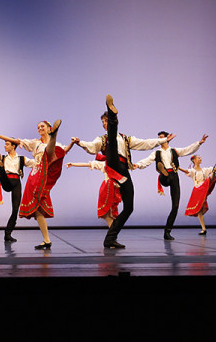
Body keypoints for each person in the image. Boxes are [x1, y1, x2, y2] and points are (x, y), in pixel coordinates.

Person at [72, 95, 173, 249]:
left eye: (106, 121)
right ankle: (112, 112)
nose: (104, 124)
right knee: (111, 139)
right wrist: (80, 143)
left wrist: (162, 141)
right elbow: (92, 146)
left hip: (124, 170)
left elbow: (145, 143)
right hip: (113, 163)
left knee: (129, 207)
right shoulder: (103, 139)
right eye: (104, 122)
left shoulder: (126, 139)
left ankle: (110, 238)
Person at [0, 118, 73, 250]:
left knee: (53, 150)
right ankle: (46, 240)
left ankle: (53, 137)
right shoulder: (34, 143)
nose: (40, 129)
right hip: (35, 174)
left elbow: (64, 151)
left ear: (49, 128)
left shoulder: (55, 145)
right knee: (37, 210)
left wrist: (72, 143)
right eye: (38, 127)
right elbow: (15, 141)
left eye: (42, 126)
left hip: (46, 170)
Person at [133, 133, 208, 240]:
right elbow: (147, 160)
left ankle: (167, 232)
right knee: (165, 176)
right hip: (164, 177)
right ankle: (163, 171)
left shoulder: (174, 151)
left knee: (175, 206)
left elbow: (187, 150)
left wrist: (199, 143)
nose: (160, 139)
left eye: (162, 137)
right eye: (159, 138)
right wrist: (138, 164)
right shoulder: (156, 152)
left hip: (174, 176)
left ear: (167, 139)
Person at [66, 154, 122, 228]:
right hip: (107, 187)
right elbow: (87, 164)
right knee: (108, 214)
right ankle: (112, 234)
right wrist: (73, 164)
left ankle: (113, 234)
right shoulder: (104, 164)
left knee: (109, 213)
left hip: (112, 187)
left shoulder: (120, 164)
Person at [181, 155, 216, 235]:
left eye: (201, 157)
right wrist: (178, 168)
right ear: (194, 160)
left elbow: (212, 170)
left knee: (211, 175)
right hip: (197, 190)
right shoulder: (193, 171)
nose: (200, 159)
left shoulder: (204, 170)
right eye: (199, 158)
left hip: (204, 188)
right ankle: (203, 229)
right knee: (199, 211)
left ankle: (213, 174)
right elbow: (186, 171)